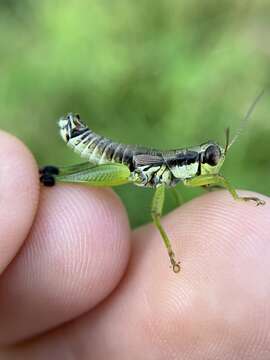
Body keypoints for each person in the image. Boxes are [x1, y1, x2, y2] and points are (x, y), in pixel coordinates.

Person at [0, 130, 269, 359]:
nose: (214, 166)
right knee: (70, 182)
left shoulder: (177, 174)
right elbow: (159, 209)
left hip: (141, 164)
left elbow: (184, 182)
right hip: (123, 164)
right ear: (196, 160)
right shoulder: (169, 171)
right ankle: (52, 175)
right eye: (211, 159)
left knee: (213, 183)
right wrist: (171, 253)